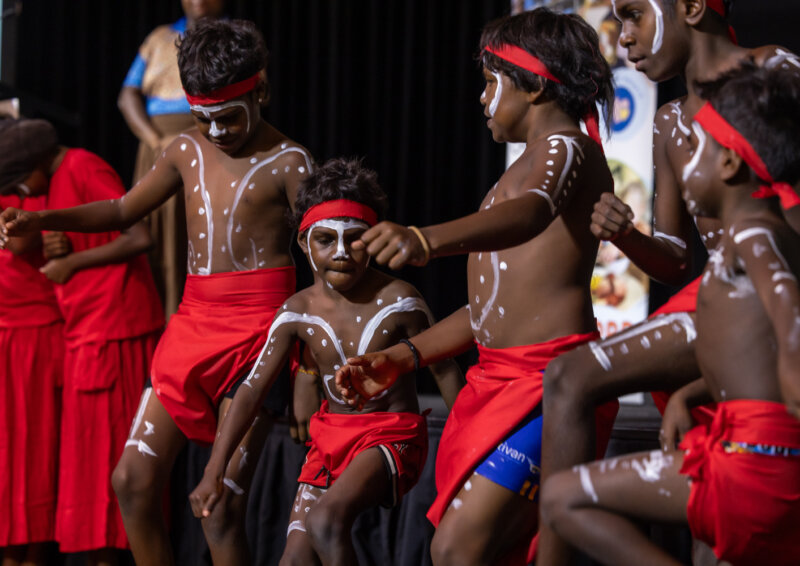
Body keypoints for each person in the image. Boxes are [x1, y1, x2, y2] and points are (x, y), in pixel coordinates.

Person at [0, 19, 314, 566]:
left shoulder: (291, 163)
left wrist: (308, 370)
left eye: (228, 116)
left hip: (259, 336)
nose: (215, 131)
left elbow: (324, 271)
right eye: (202, 117)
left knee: (219, 511)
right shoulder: (183, 149)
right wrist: (43, 218)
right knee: (130, 482)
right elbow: (123, 210)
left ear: (260, 90)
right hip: (192, 326)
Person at [335, 9, 618, 565]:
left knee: (458, 548)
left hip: (547, 383)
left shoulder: (567, 148)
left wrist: (425, 239)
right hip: (498, 381)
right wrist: (402, 357)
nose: (483, 98)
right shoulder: (523, 168)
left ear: (534, 85)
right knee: (477, 551)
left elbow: (532, 214)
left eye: (491, 82)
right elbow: (489, 309)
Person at [535, 1, 800, 561]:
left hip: (775, 281)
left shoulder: (776, 69)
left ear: (692, 7)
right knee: (567, 376)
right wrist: (627, 237)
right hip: (717, 294)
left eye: (635, 15)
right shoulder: (668, 120)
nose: (624, 37)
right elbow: (677, 258)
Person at [188, 157, 464, 565]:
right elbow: (251, 388)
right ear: (303, 243)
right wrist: (215, 467)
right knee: (294, 560)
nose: (341, 253)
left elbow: (444, 369)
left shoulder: (401, 301)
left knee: (325, 522)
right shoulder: (295, 312)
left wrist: (470, 453)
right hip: (329, 440)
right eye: (325, 240)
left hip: (391, 435)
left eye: (355, 239)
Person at [0, 118, 164, 566]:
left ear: (35, 166)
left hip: (117, 326)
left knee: (113, 462)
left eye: (19, 184)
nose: (22, 194)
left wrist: (73, 262)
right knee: (88, 467)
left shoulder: (83, 166)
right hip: (85, 327)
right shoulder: (53, 182)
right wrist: (63, 249)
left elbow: (139, 235)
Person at [119, 0, 226, 319]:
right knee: (157, 229)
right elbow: (127, 95)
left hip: (211, 142)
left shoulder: (234, 36)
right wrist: (156, 142)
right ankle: (158, 318)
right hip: (157, 145)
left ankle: (196, 316)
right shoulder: (159, 38)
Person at [0, 120, 64, 566]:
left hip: (35, 337)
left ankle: (32, 552)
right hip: (10, 335)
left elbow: (21, 243)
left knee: (34, 453)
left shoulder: (30, 189)